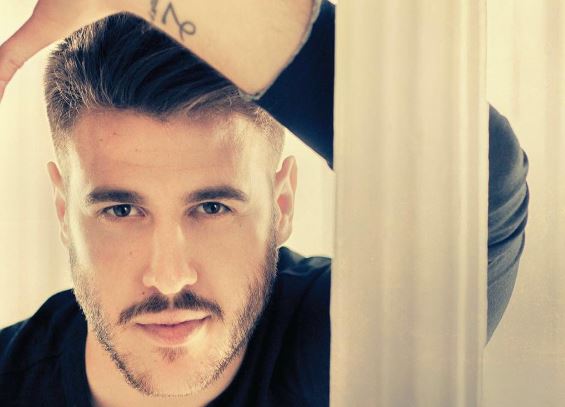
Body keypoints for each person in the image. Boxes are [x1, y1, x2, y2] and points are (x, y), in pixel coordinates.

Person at [0, 1, 528, 406]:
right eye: (121, 211)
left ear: (282, 202)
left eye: (212, 207)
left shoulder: (342, 348)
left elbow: (478, 180)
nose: (169, 277)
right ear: (64, 210)